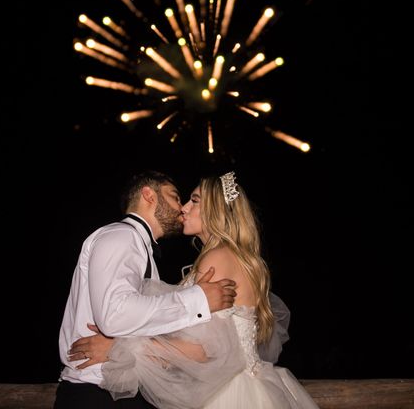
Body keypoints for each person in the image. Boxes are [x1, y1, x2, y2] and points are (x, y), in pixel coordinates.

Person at [69, 172, 320, 408]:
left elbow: (205, 350)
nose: (184, 208)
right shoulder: (230, 257)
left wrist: (118, 349)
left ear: (216, 210)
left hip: (226, 393)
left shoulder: (218, 259)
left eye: (194, 200)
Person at [54, 170, 238, 409]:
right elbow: (115, 314)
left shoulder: (137, 245)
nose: (181, 207)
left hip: (115, 391)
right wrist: (197, 299)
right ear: (149, 195)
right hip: (97, 392)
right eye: (174, 196)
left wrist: (115, 348)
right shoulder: (121, 237)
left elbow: (144, 321)